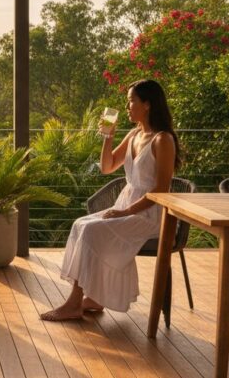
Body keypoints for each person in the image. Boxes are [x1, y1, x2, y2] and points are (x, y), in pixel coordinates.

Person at [41, 79, 182, 321]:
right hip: (126, 207)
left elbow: (160, 190)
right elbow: (107, 167)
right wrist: (108, 136)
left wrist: (126, 212)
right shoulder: (134, 134)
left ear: (147, 104)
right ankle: (94, 297)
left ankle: (74, 303)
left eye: (131, 101)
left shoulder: (163, 140)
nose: (127, 107)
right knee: (80, 224)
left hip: (151, 216)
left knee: (91, 231)